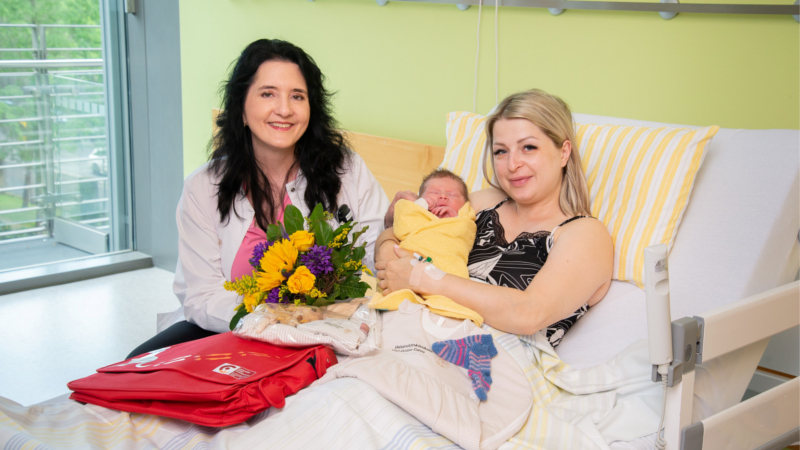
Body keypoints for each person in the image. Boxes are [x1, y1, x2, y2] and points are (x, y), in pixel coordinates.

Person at [127, 39, 388, 359]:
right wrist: (274, 320)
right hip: (228, 326)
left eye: (297, 96)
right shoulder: (203, 187)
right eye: (268, 94)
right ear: (242, 109)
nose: (284, 109)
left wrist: (399, 229)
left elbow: (377, 256)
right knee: (133, 366)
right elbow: (200, 296)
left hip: (327, 329)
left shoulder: (347, 169)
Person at [375, 89, 613, 347]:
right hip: (415, 333)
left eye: (528, 147)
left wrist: (422, 277)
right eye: (501, 151)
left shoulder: (586, 234)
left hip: (493, 363)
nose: (512, 164)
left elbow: (528, 314)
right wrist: (389, 251)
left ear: (564, 152)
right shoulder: (482, 203)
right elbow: (407, 235)